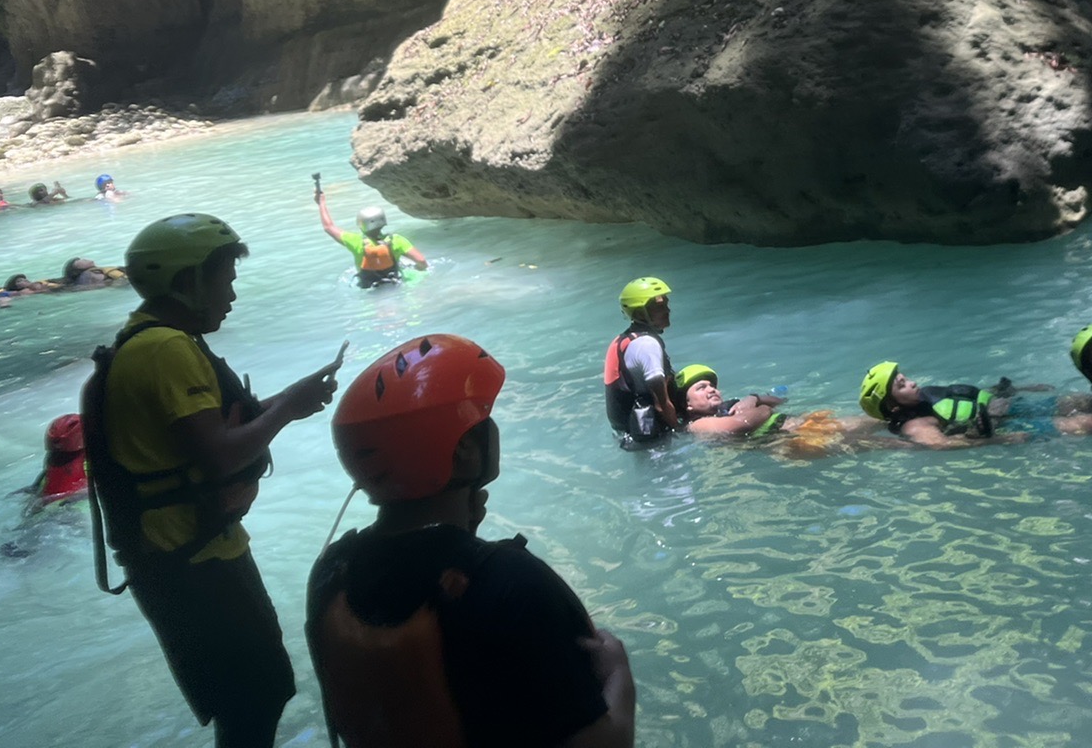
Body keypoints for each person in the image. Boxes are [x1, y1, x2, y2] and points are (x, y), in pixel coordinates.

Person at [81, 212, 342, 748]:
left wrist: (287, 399)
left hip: (187, 551)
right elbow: (220, 456)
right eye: (225, 279)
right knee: (256, 697)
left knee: (254, 696)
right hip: (189, 559)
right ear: (187, 282)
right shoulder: (166, 349)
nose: (232, 294)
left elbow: (195, 440)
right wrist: (289, 407)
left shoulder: (148, 339)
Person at [306, 334, 636, 748]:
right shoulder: (510, 582)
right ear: (463, 450)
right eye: (485, 420)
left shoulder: (332, 571)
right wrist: (621, 677)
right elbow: (607, 743)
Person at [858, 362, 1015, 447]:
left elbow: (964, 395)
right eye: (902, 385)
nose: (912, 383)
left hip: (1000, 404)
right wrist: (1003, 439)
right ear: (893, 406)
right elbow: (942, 445)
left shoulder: (926, 396)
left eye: (906, 379)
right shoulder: (914, 427)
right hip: (1002, 422)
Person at [604, 277, 677, 447]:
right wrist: (680, 430)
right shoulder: (647, 345)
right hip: (654, 436)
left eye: (666, 304)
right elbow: (661, 405)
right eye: (659, 307)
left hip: (629, 433)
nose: (667, 310)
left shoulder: (622, 340)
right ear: (639, 313)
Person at [316, 189, 426, 289]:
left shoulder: (355, 241)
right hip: (394, 283)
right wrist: (417, 269)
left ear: (360, 223)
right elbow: (421, 261)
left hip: (370, 288)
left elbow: (328, 227)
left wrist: (321, 203)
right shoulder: (397, 240)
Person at [671, 364, 785, 438]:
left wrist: (753, 398)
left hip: (791, 429)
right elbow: (744, 423)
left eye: (712, 386)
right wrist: (765, 408)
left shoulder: (730, 407)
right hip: (784, 440)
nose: (712, 390)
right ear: (687, 404)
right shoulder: (697, 425)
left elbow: (780, 400)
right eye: (701, 388)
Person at [31, 414, 90, 506]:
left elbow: (42, 480)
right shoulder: (89, 461)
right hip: (70, 505)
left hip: (44, 502)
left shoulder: (50, 461)